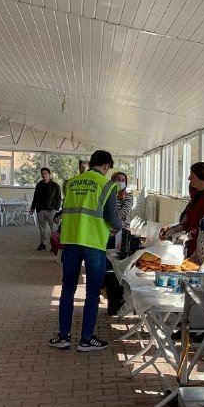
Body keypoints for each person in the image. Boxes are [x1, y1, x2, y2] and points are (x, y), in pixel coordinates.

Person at [49, 150, 122, 352]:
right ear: (106, 166)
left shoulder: (71, 183)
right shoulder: (108, 185)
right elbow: (112, 217)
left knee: (68, 289)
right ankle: (86, 339)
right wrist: (119, 227)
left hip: (71, 241)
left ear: (91, 163)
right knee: (92, 292)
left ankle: (63, 337)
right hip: (93, 244)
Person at [159, 162, 204, 257]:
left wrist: (188, 236)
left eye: (192, 176)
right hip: (191, 245)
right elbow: (188, 220)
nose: (189, 178)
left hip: (200, 247)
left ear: (201, 177)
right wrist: (173, 228)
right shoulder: (197, 196)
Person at [29, 167, 62, 251]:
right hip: (40, 210)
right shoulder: (39, 185)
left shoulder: (55, 186)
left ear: (49, 174)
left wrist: (56, 210)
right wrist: (33, 208)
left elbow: (58, 198)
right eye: (42, 173)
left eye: (45, 173)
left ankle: (54, 245)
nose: (43, 175)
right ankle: (42, 243)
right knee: (42, 228)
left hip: (51, 210)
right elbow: (35, 197)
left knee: (54, 228)